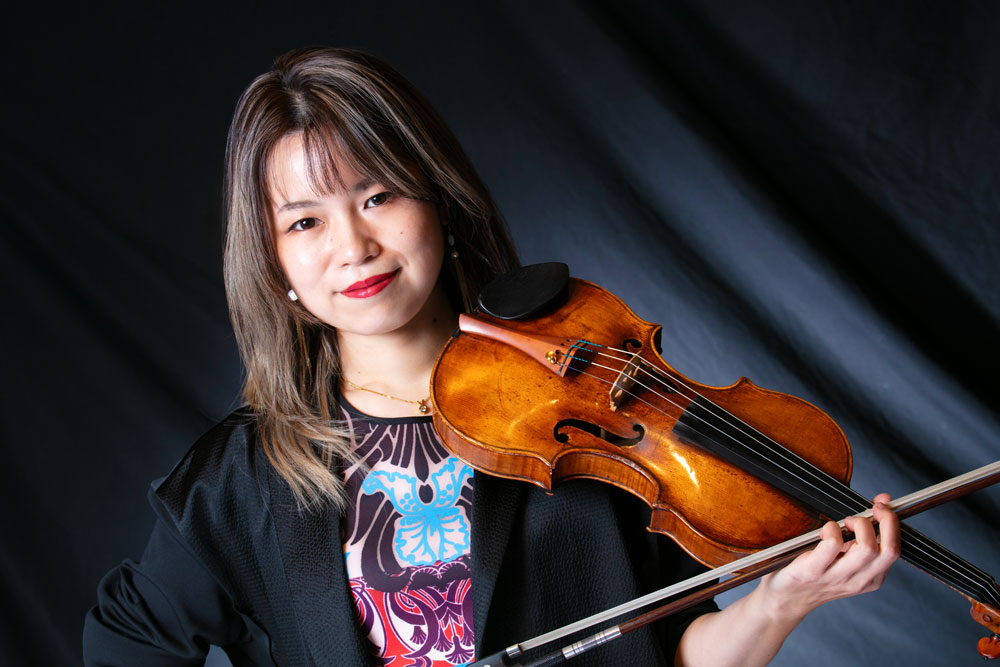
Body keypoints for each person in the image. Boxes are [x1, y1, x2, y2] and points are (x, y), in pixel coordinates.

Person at [83, 47, 900, 667]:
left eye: (377, 195)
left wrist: (781, 601)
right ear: (274, 263)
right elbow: (124, 642)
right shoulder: (243, 477)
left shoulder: (585, 404)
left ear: (437, 201)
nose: (354, 245)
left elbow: (677, 651)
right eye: (306, 222)